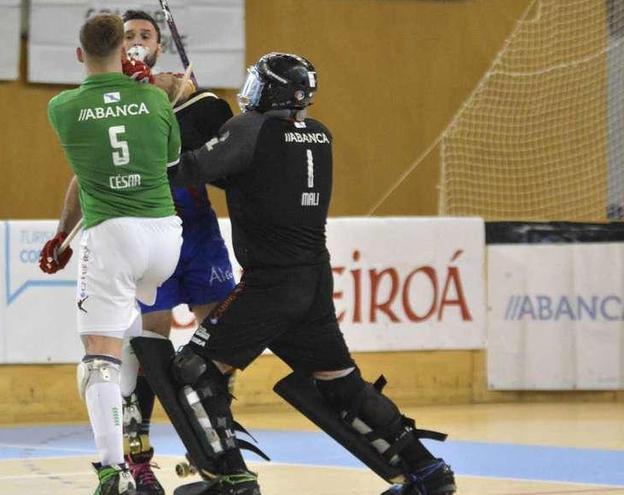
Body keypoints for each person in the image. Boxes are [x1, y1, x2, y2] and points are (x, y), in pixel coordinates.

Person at [133, 53, 457, 495]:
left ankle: (230, 478)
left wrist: (181, 109)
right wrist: (206, 114)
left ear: (268, 91)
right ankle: (426, 471)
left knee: (195, 369)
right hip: (313, 283)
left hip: (269, 285)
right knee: (339, 382)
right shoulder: (319, 136)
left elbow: (186, 170)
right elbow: (246, 175)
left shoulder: (249, 130)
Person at [44, 10, 238, 495]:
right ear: (118, 46)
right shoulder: (156, 95)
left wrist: (186, 97)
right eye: (127, 35)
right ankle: (140, 456)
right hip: (162, 234)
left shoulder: (172, 90)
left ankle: (215, 450)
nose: (135, 40)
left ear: (158, 46)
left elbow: (217, 148)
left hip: (193, 229)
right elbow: (84, 176)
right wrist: (64, 233)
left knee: (218, 348)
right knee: (148, 348)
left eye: (145, 35)